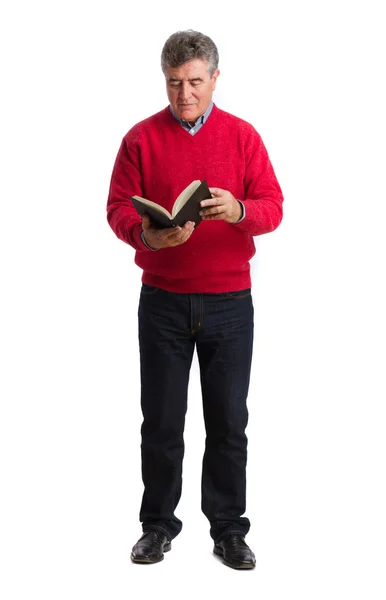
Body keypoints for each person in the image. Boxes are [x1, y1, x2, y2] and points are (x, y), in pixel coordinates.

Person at [106, 29, 284, 570]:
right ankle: (157, 525)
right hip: (162, 301)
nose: (185, 95)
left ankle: (229, 530)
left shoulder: (243, 137)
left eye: (195, 82)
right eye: (174, 83)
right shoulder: (140, 138)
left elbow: (273, 206)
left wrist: (239, 212)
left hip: (230, 303)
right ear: (165, 80)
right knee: (161, 421)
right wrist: (146, 234)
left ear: (215, 78)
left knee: (228, 421)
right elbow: (116, 208)